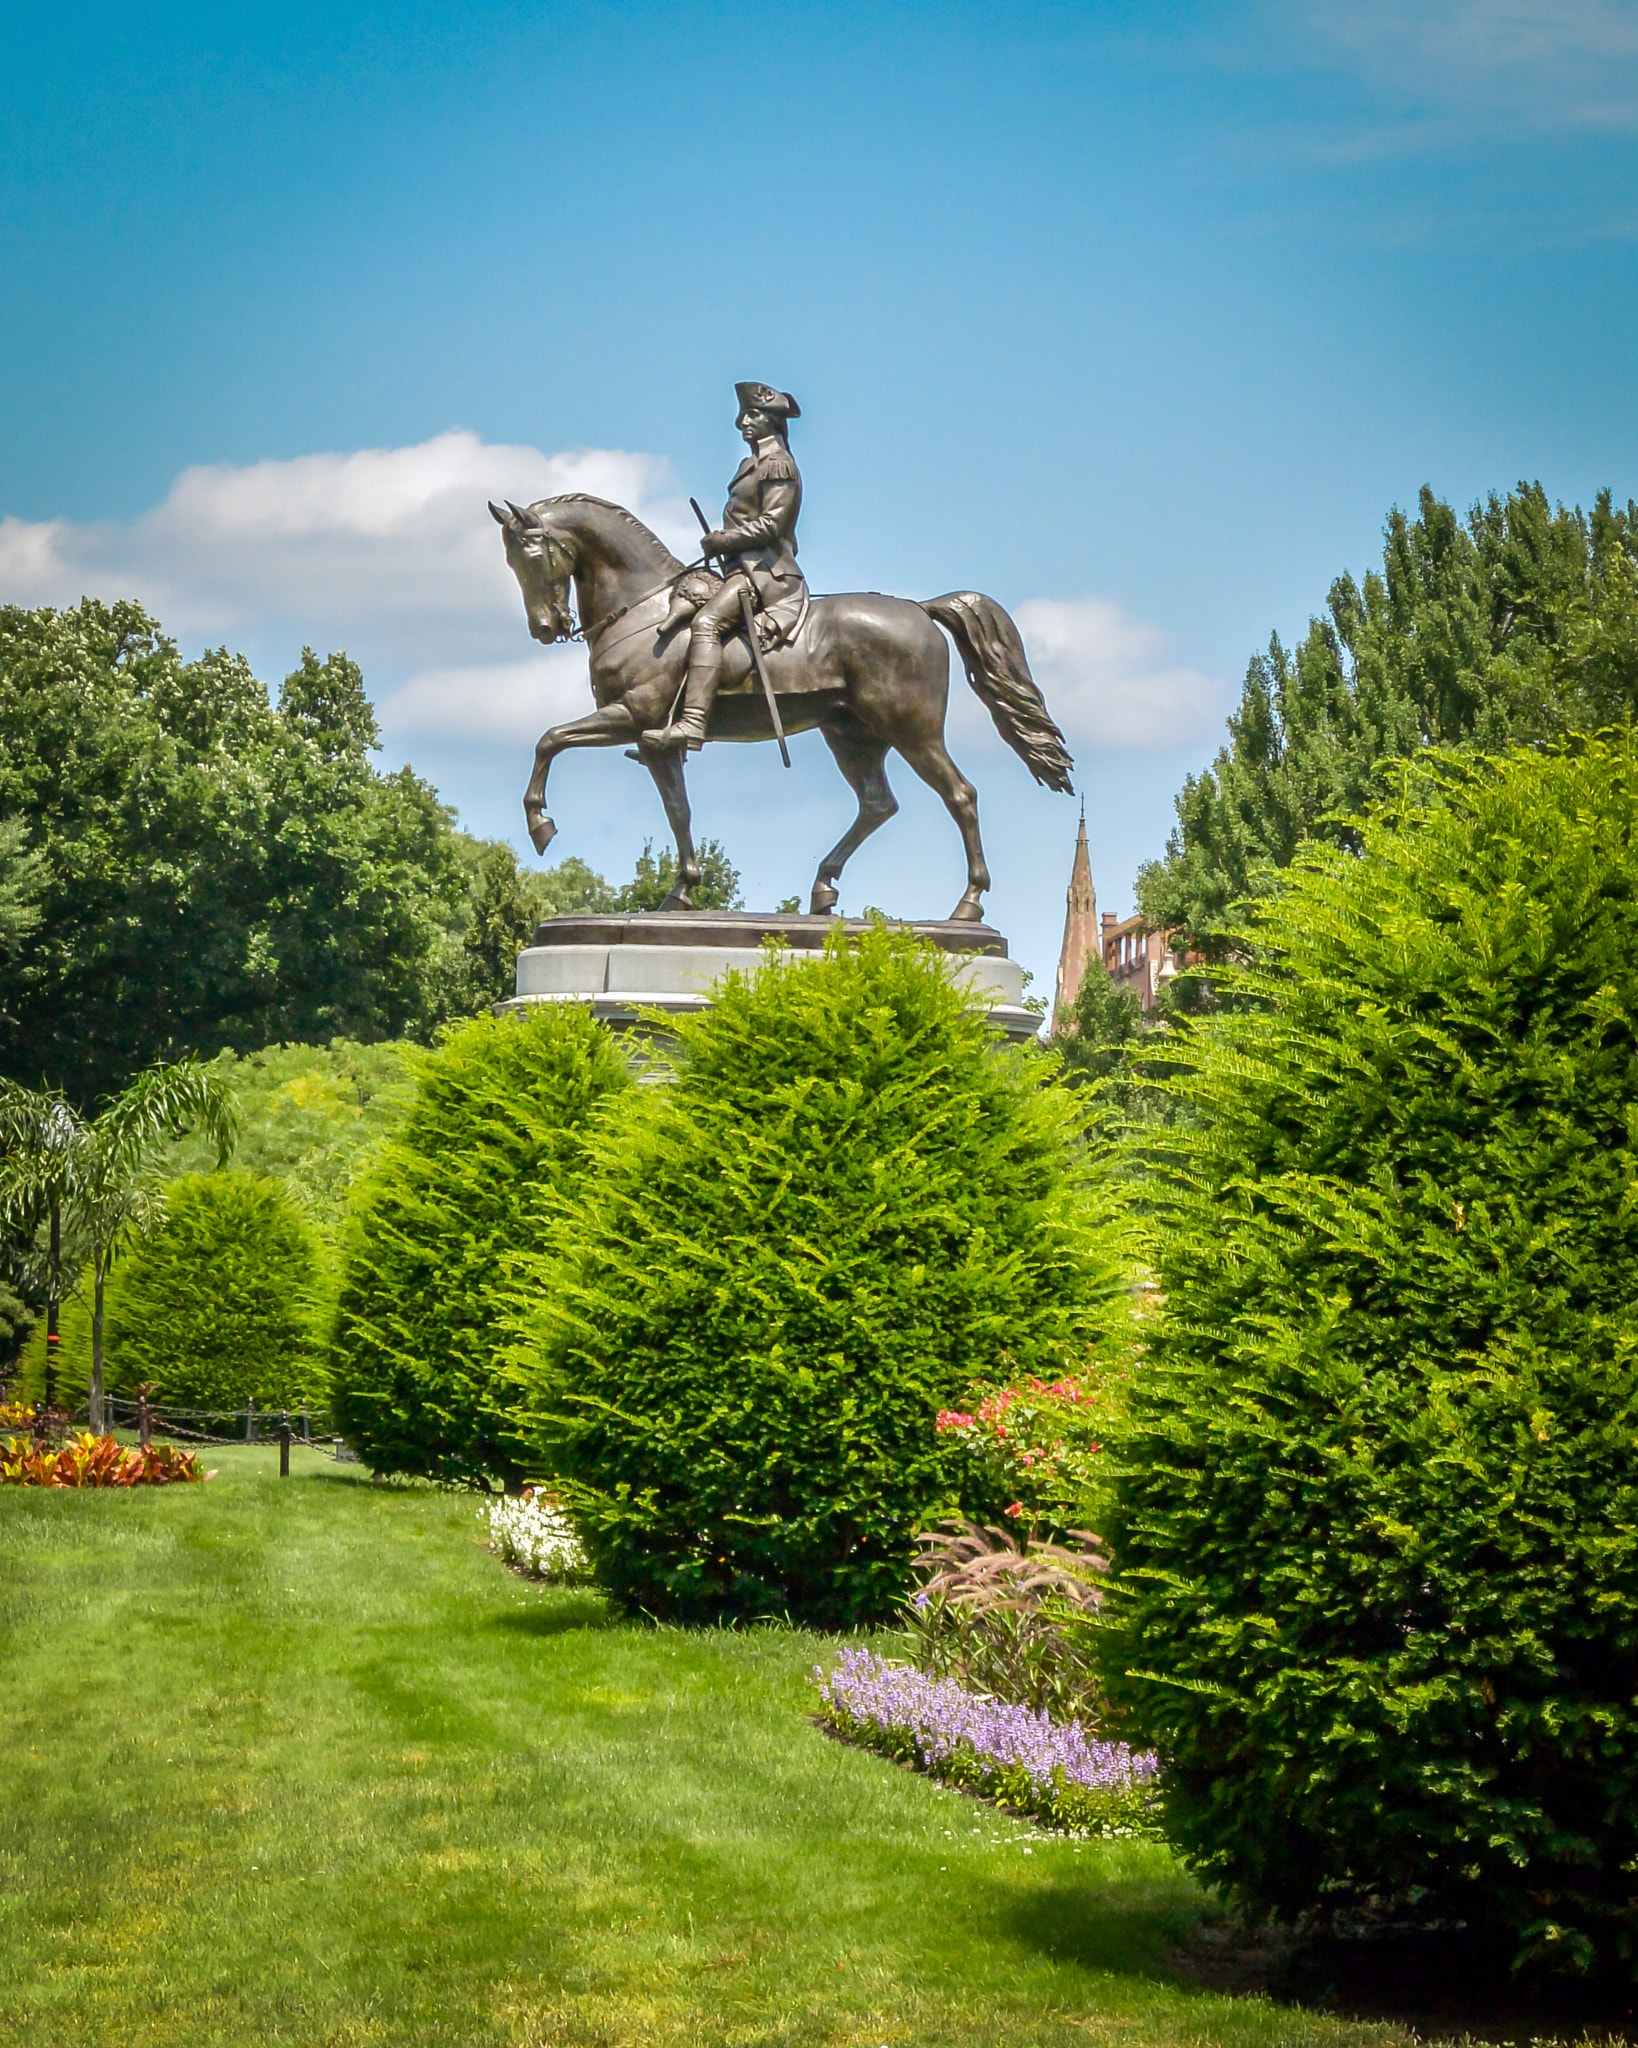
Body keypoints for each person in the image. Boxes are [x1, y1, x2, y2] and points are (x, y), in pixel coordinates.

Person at [644, 383, 807, 751]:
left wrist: (723, 541)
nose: (744, 423)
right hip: (743, 569)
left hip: (766, 574)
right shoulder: (751, 464)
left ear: (773, 422)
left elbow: (773, 525)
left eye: (754, 416)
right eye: (743, 415)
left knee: (706, 622)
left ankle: (694, 724)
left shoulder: (777, 463)